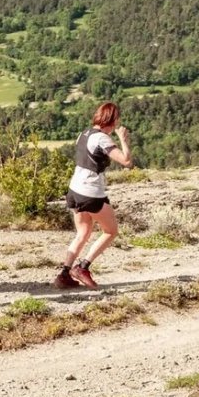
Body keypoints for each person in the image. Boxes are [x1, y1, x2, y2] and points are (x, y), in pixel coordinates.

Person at [55, 102, 133, 290]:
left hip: (74, 189)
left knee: (83, 233)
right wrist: (123, 139)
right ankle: (83, 267)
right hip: (91, 192)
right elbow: (127, 161)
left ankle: (64, 274)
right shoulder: (102, 139)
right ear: (112, 120)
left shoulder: (83, 134)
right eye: (117, 118)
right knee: (110, 231)